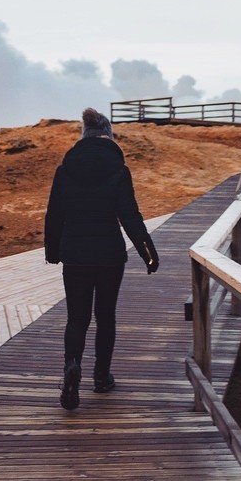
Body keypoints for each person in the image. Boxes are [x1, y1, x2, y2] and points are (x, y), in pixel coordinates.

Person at [44, 108, 159, 410]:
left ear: (84, 135)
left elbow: (55, 214)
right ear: (108, 135)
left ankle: (72, 366)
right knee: (105, 317)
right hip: (109, 255)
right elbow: (129, 215)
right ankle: (101, 376)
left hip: (75, 255)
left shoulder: (65, 170)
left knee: (77, 318)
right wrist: (148, 252)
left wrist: (52, 251)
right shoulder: (119, 170)